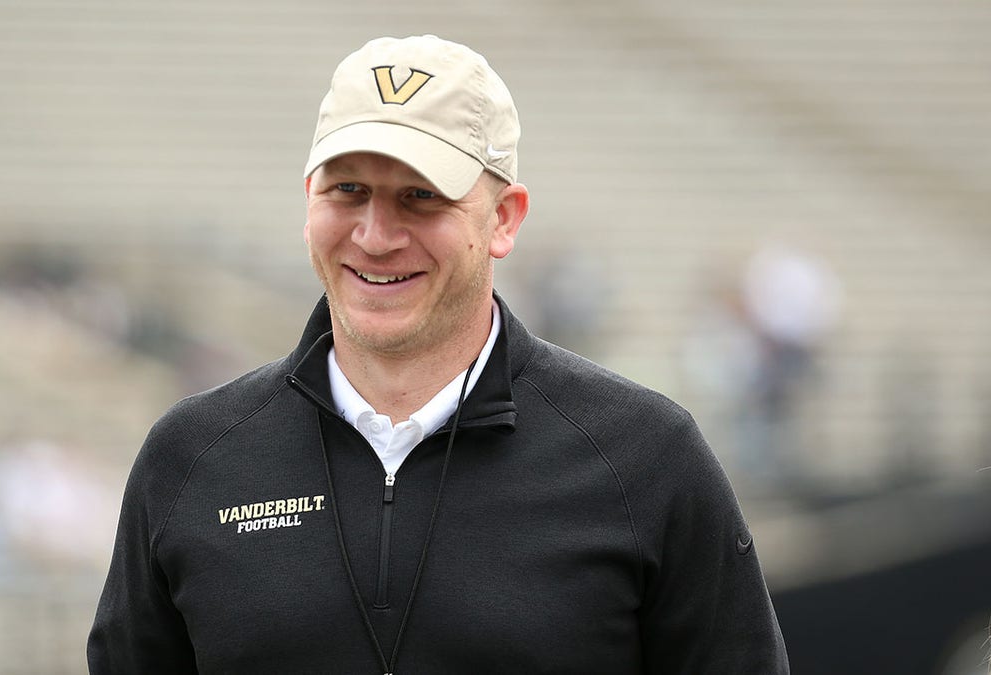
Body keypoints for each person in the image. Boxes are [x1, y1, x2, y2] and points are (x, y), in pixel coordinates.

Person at [88, 34, 789, 674]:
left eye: (420, 197)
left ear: (503, 218)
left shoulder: (645, 456)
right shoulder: (192, 457)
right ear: (310, 198)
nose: (375, 233)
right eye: (348, 190)